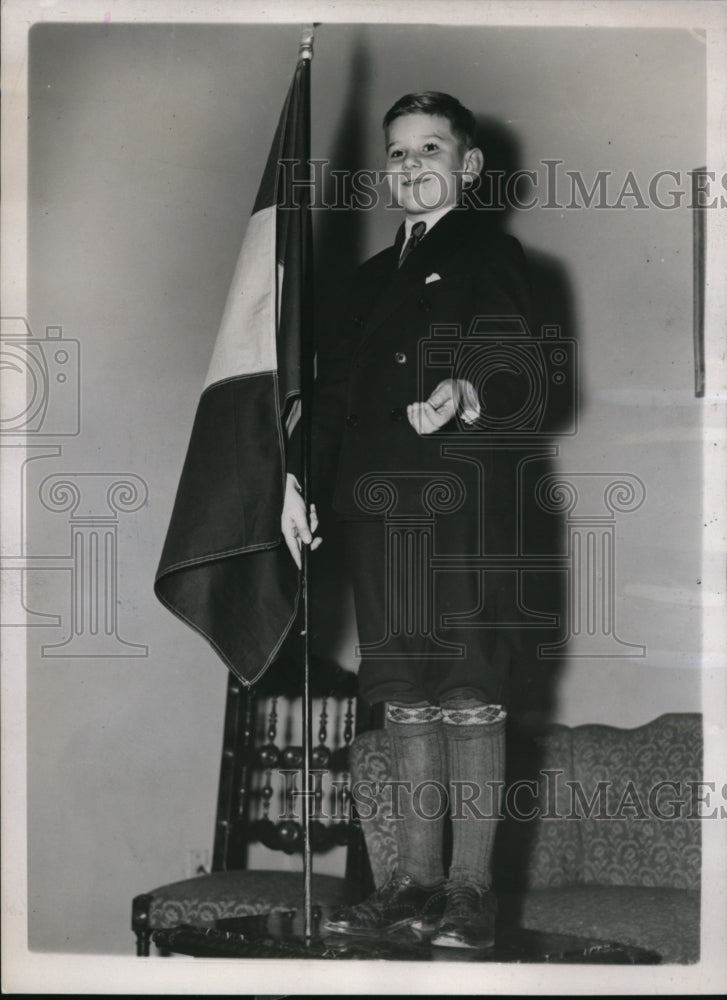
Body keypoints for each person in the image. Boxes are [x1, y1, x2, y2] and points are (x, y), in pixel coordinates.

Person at [282, 92, 532, 950]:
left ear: (468, 166)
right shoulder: (363, 281)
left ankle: (469, 895)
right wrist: (298, 481)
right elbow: (330, 400)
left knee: (466, 686)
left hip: (462, 503)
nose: (410, 164)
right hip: (376, 510)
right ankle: (414, 889)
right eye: (396, 152)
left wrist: (467, 388)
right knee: (401, 695)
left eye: (430, 148)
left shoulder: (489, 253)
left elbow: (520, 365)